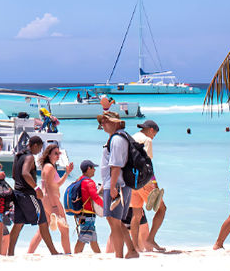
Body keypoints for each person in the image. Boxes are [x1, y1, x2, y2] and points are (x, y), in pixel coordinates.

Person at [97, 111, 139, 259]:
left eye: (105, 122)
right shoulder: (119, 137)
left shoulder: (117, 139)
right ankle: (131, 250)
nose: (102, 125)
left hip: (117, 185)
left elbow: (116, 165)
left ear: (115, 122)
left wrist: (113, 186)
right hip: (117, 184)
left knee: (114, 222)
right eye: (102, 122)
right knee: (115, 221)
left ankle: (119, 256)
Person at [8, 136, 57, 255]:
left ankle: (10, 253)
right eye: (40, 148)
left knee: (18, 224)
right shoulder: (29, 157)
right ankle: (53, 252)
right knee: (43, 221)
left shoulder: (18, 156)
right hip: (28, 194)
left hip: (18, 193)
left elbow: (14, 175)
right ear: (35, 145)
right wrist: (36, 188)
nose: (40, 151)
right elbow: (25, 173)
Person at [28, 144, 72, 254]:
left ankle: (29, 253)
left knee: (43, 230)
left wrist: (67, 173)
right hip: (51, 200)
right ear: (49, 155)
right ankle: (68, 253)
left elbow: (56, 185)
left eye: (59, 153)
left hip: (46, 201)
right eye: (55, 153)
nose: (58, 155)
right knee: (64, 229)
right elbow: (47, 188)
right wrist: (54, 205)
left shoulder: (49, 167)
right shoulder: (49, 167)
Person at [134, 119, 167, 252]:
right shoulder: (147, 140)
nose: (153, 137)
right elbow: (146, 164)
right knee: (162, 209)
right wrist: (155, 184)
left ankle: (135, 247)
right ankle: (150, 238)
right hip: (144, 181)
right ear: (151, 130)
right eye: (155, 134)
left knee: (136, 214)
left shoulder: (132, 137)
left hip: (131, 181)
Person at [70, 160, 102, 254]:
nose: (95, 170)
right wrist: (106, 207)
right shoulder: (89, 182)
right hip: (88, 215)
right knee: (82, 239)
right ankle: (75, 256)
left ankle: (99, 256)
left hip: (82, 214)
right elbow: (95, 197)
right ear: (88, 168)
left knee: (93, 239)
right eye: (93, 168)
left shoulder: (80, 180)